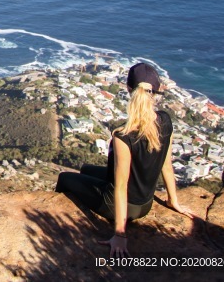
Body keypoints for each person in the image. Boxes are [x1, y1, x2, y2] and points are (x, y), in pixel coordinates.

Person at [55, 62, 193, 256]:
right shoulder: (165, 121)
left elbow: (120, 187)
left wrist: (120, 235)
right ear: (155, 91)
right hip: (145, 203)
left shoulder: (124, 136)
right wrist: (173, 201)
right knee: (86, 169)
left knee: (64, 177)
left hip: (124, 206)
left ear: (128, 89)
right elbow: (166, 166)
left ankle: (58, 213)